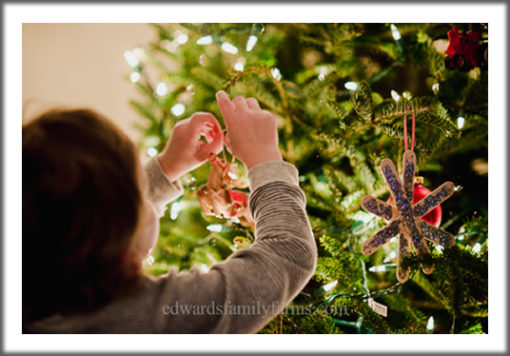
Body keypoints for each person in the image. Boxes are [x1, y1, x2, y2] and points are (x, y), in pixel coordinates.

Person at [22, 91, 317, 333]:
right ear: (123, 245)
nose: (146, 196)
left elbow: (95, 212)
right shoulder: (156, 317)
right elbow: (287, 253)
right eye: (141, 185)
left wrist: (167, 166)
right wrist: (263, 158)